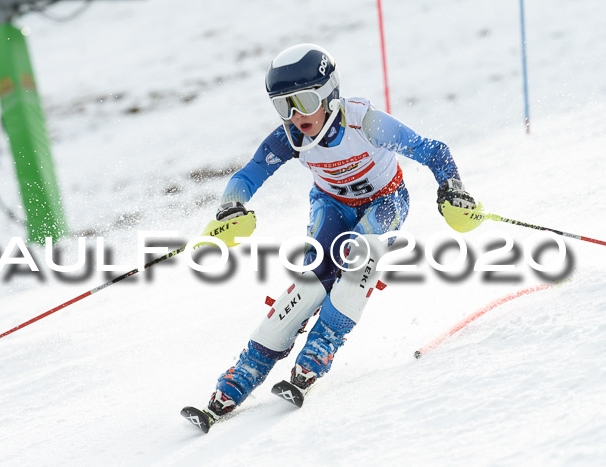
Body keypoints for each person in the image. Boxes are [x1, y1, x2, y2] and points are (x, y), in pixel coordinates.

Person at [203, 43, 476, 419]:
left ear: (330, 94)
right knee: (310, 281)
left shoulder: (365, 123)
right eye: (283, 105)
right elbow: (248, 174)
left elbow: (433, 150)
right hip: (331, 205)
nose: (295, 115)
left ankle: (319, 350)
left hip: (386, 200)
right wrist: (231, 206)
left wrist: (452, 188)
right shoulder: (291, 138)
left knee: (357, 261)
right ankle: (245, 371)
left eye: (304, 100)